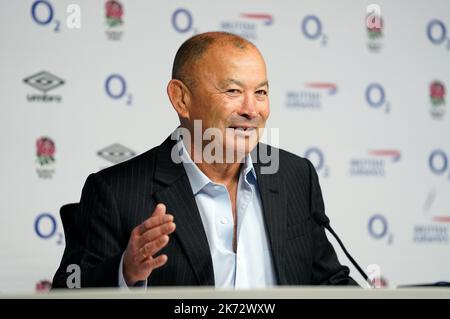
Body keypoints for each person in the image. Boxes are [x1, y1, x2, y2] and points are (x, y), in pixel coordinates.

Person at [52, 31, 357, 288]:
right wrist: (125, 271)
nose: (252, 109)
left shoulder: (295, 175)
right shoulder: (114, 192)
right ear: (181, 99)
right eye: (233, 90)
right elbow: (69, 288)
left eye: (261, 92)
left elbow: (329, 282)